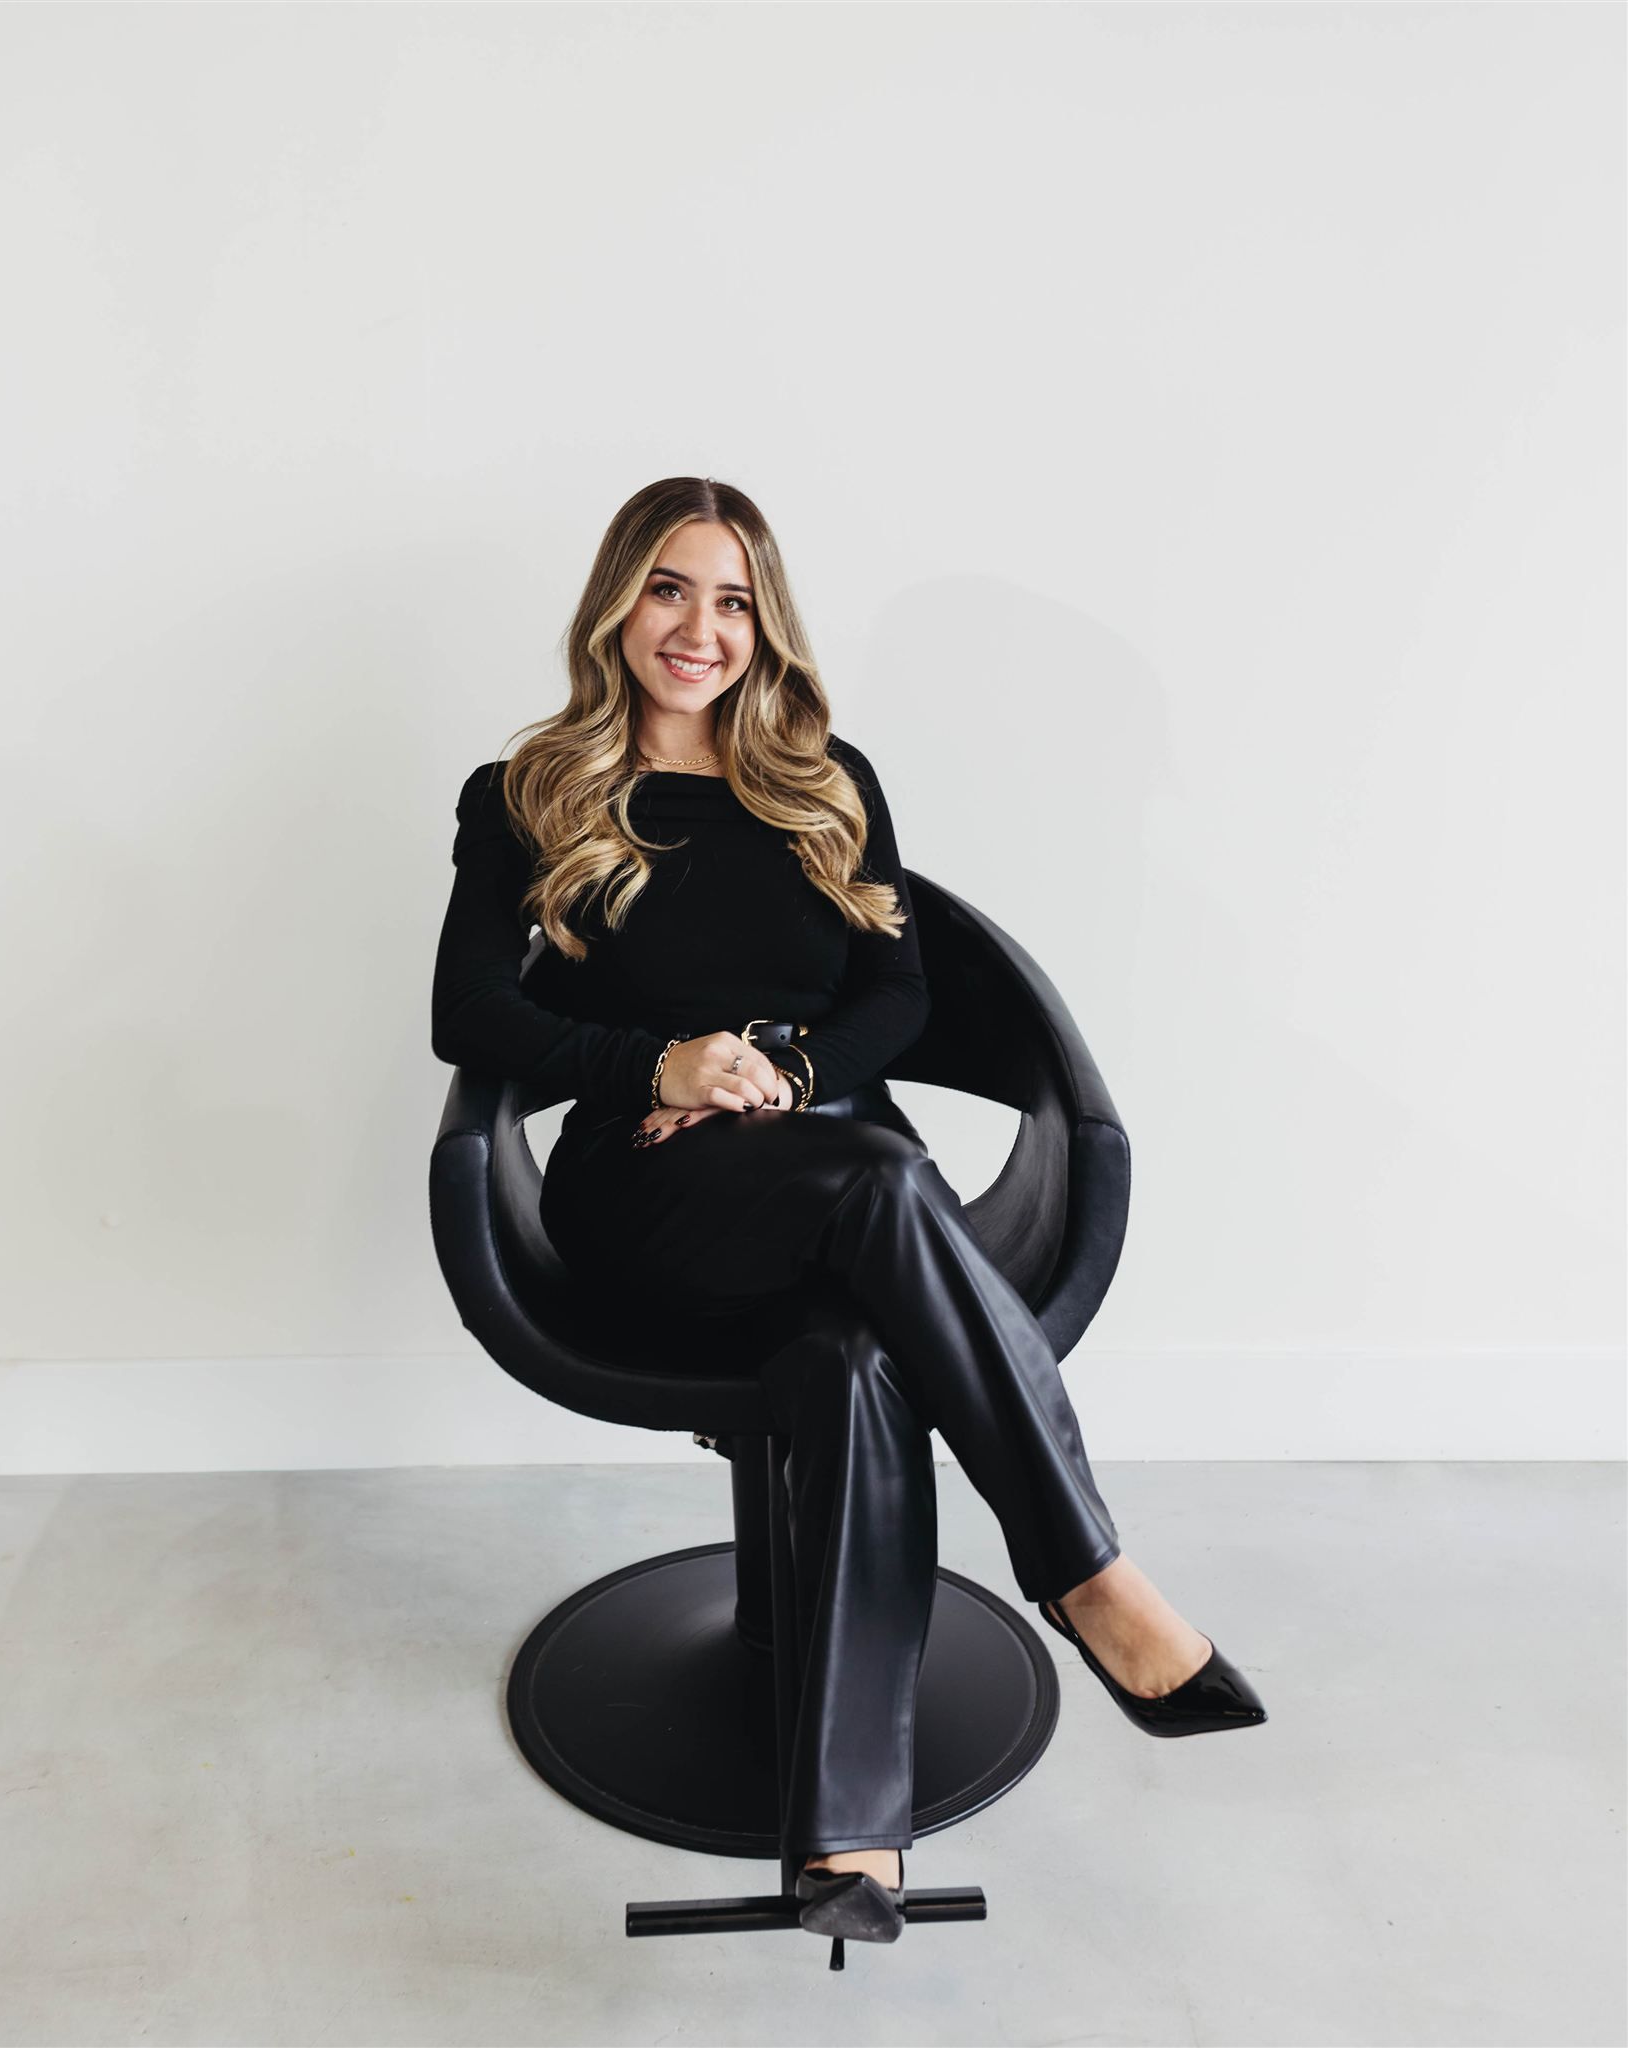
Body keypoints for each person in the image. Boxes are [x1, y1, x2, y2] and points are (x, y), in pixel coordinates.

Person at [431, 476, 1267, 1947]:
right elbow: (470, 1011)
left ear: (768, 625)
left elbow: (899, 991)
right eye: (670, 588)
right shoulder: (530, 791)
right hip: (650, 1183)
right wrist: (661, 1065)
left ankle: (849, 1837)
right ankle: (1088, 1574)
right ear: (617, 601)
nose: (700, 629)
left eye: (734, 600)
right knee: (883, 1180)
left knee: (853, 1353)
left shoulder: (823, 778)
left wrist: (787, 1076)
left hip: (832, 1155)